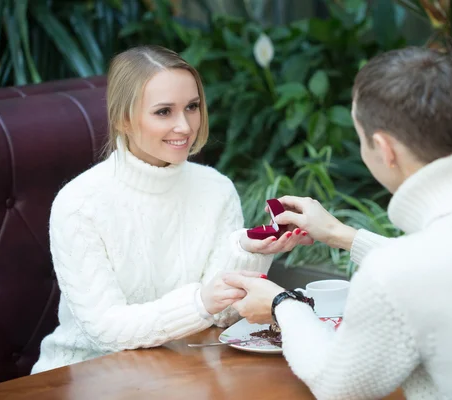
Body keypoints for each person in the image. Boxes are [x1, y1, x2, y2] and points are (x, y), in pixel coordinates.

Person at [223, 47, 452, 400]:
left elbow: (337, 384)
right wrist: (342, 235)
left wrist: (281, 303)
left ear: (384, 149)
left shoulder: (398, 274)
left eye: (360, 138)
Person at [31, 45, 311, 374]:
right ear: (123, 118)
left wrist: (247, 251)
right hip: (86, 376)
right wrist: (198, 303)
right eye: (164, 112)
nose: (185, 126)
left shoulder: (216, 189)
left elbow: (221, 316)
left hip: (186, 369)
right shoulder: (79, 203)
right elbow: (104, 330)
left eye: (192, 107)